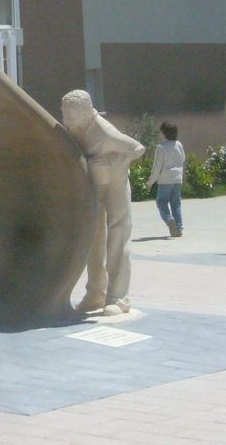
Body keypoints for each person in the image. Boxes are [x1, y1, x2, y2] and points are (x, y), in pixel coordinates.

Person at [61, 90, 145, 316]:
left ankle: (118, 298)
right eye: (64, 114)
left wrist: (111, 163)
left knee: (118, 235)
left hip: (115, 184)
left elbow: (138, 148)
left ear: (87, 114)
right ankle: (95, 294)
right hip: (95, 185)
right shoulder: (74, 129)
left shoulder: (105, 132)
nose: (65, 121)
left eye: (70, 116)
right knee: (93, 236)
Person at [146, 122, 186, 237]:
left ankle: (169, 220)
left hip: (165, 179)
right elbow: (182, 159)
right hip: (177, 179)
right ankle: (179, 228)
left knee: (161, 202)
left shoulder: (161, 147)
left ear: (164, 133)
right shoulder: (178, 144)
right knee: (176, 204)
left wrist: (150, 182)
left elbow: (157, 167)